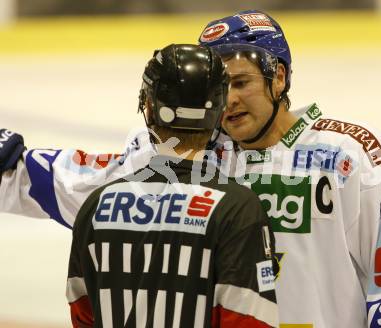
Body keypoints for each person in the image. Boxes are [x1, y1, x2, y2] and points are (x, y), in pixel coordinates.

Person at [0, 10, 381, 328]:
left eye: (242, 83)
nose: (228, 101)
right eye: (219, 87)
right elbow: (76, 181)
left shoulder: (351, 155)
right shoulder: (183, 153)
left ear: (279, 78)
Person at [65, 43, 278, 327]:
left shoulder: (97, 205)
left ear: (150, 107)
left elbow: (83, 312)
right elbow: (249, 320)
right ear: (219, 110)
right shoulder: (237, 209)